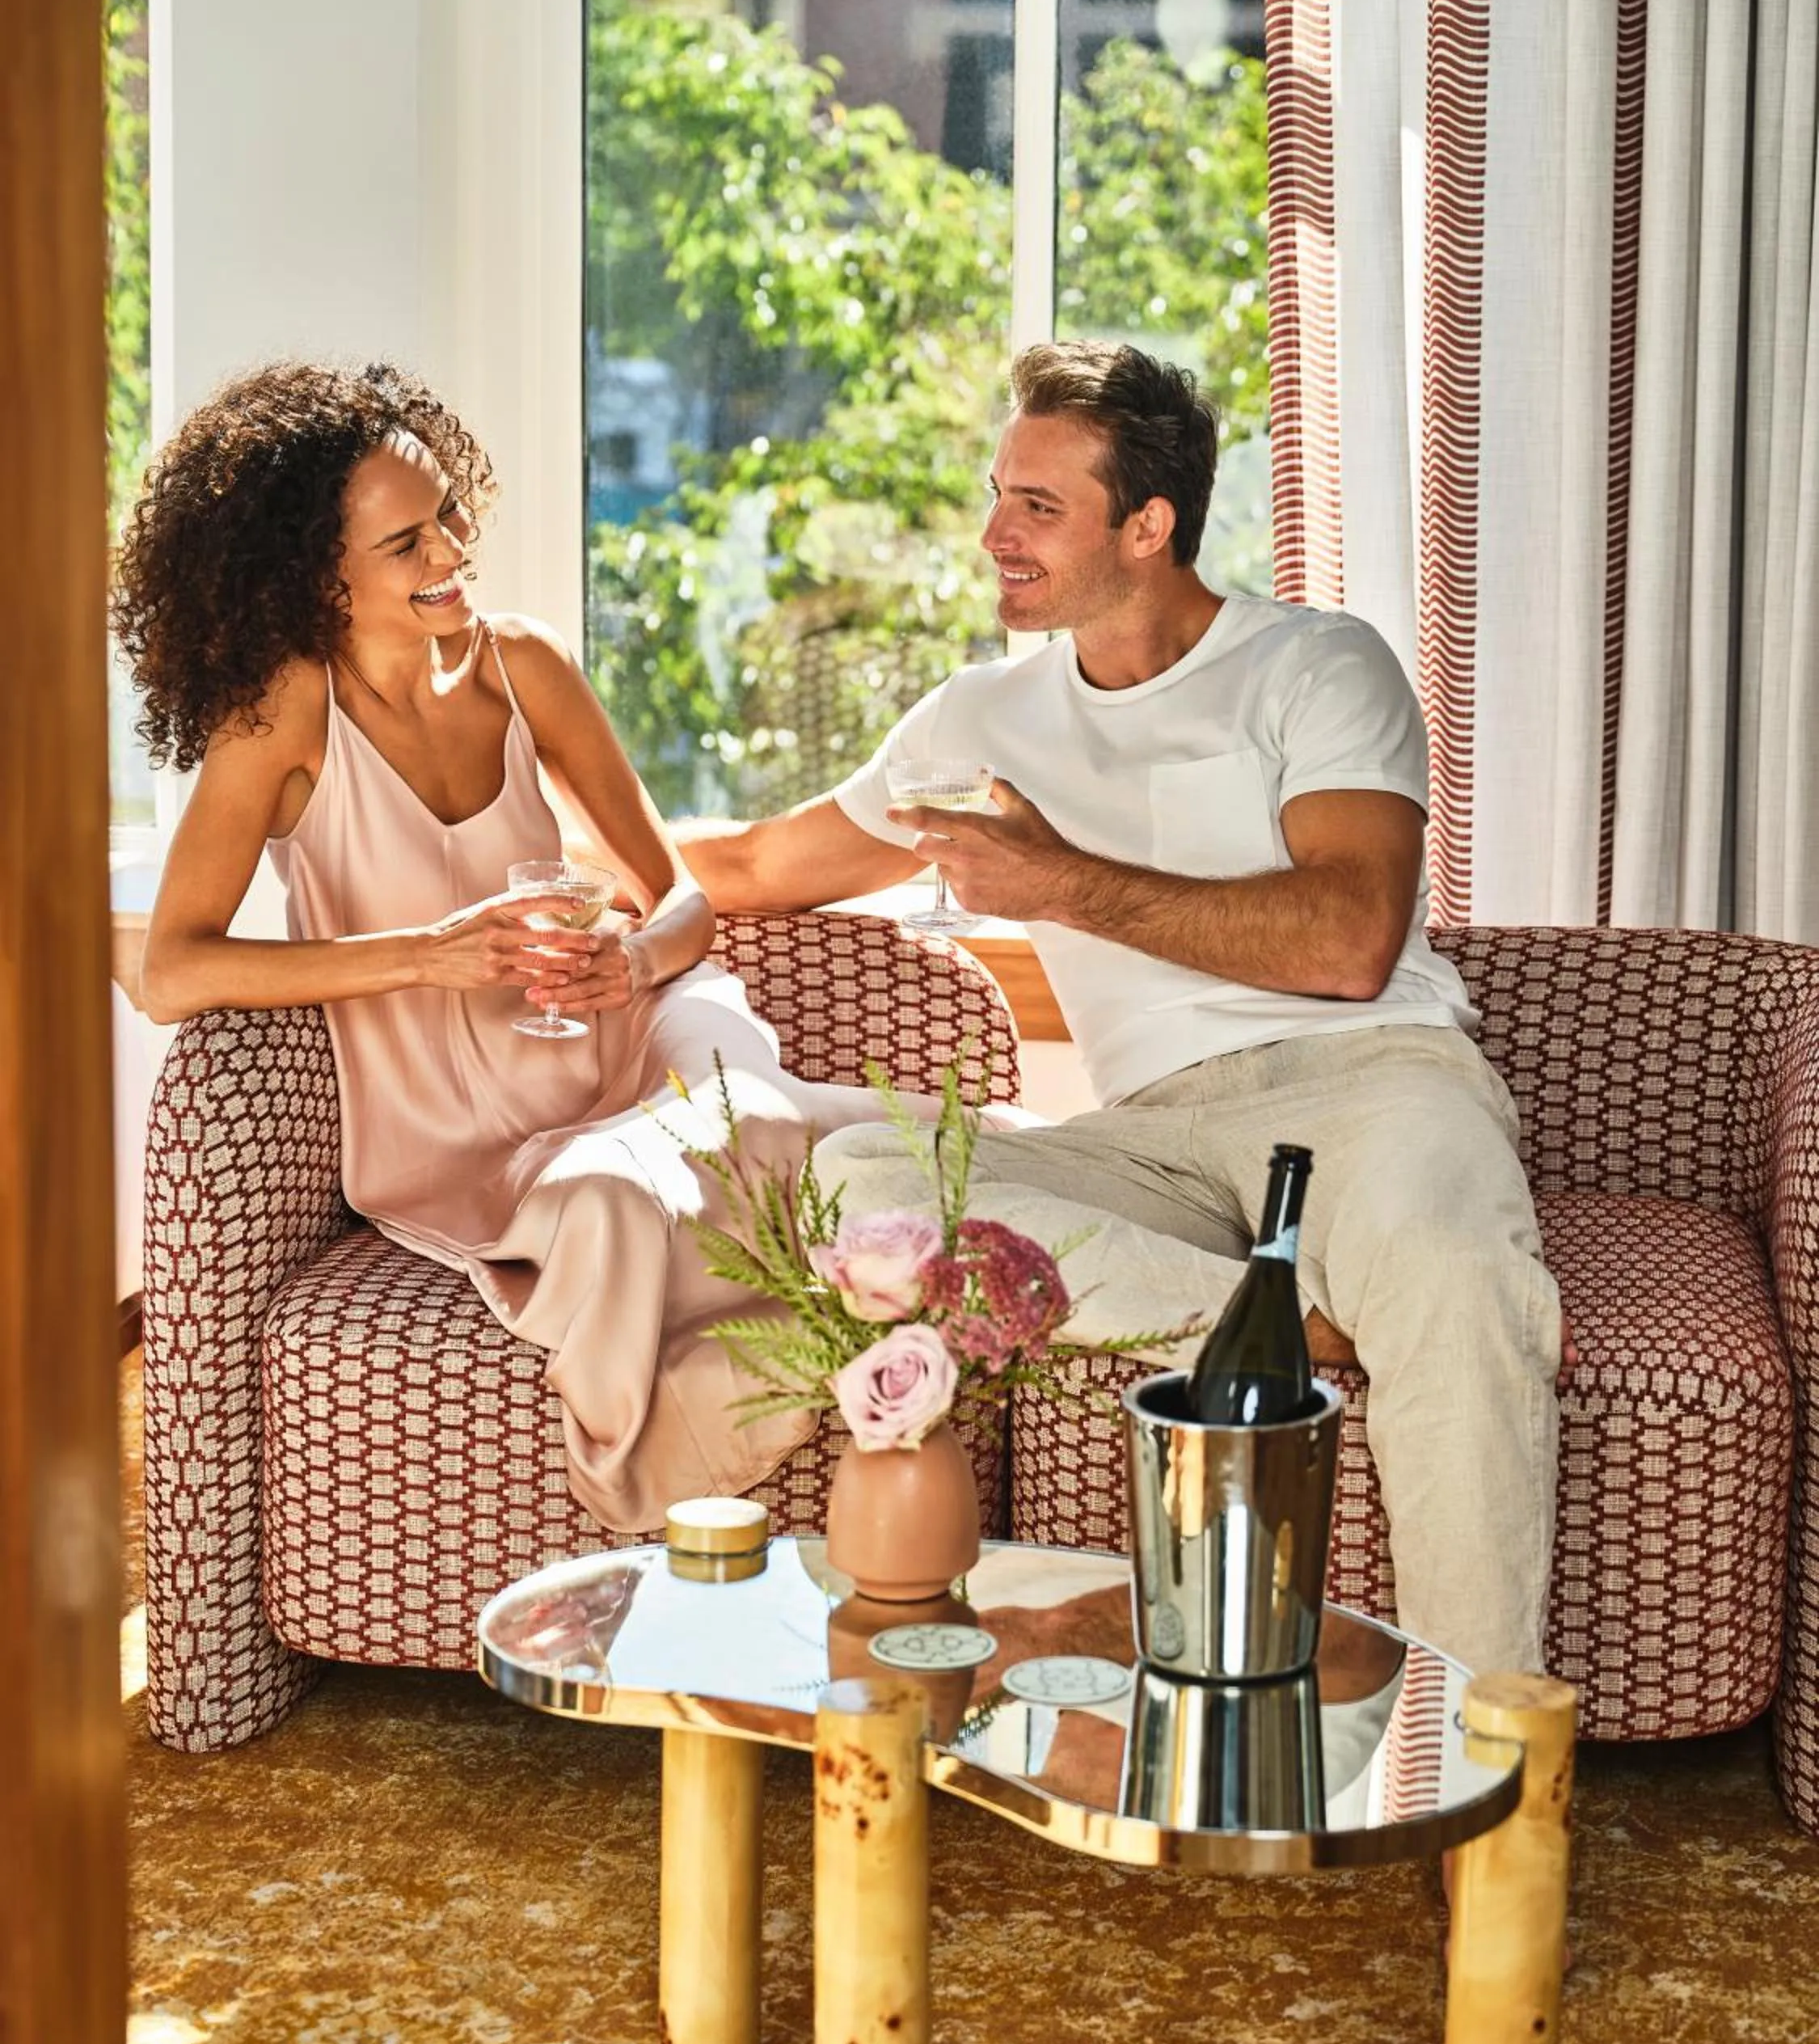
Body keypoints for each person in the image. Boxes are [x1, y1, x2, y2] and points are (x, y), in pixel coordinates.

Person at [681, 340, 1563, 1679]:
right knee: (858, 1184)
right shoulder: (977, 717)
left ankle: (1481, 1774)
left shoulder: (1317, 667)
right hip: (1148, 1137)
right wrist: (529, 847)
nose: (992, 535)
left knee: (1454, 1283)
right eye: (996, 494)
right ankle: (1294, 1322)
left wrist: (1060, 884)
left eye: (1037, 507)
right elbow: (751, 868)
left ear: (1148, 526)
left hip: (1370, 1080)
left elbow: (1346, 941)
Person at [115, 359, 914, 1532]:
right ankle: (678, 1454)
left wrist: (631, 963)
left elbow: (678, 896)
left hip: (626, 1040)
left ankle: (889, 1204)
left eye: (445, 521)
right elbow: (174, 971)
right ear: (312, 574)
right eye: (405, 546)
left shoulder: (522, 665)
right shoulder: (282, 717)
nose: (447, 556)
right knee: (613, 1207)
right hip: (456, 1129)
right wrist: (428, 956)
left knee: (767, 1106)